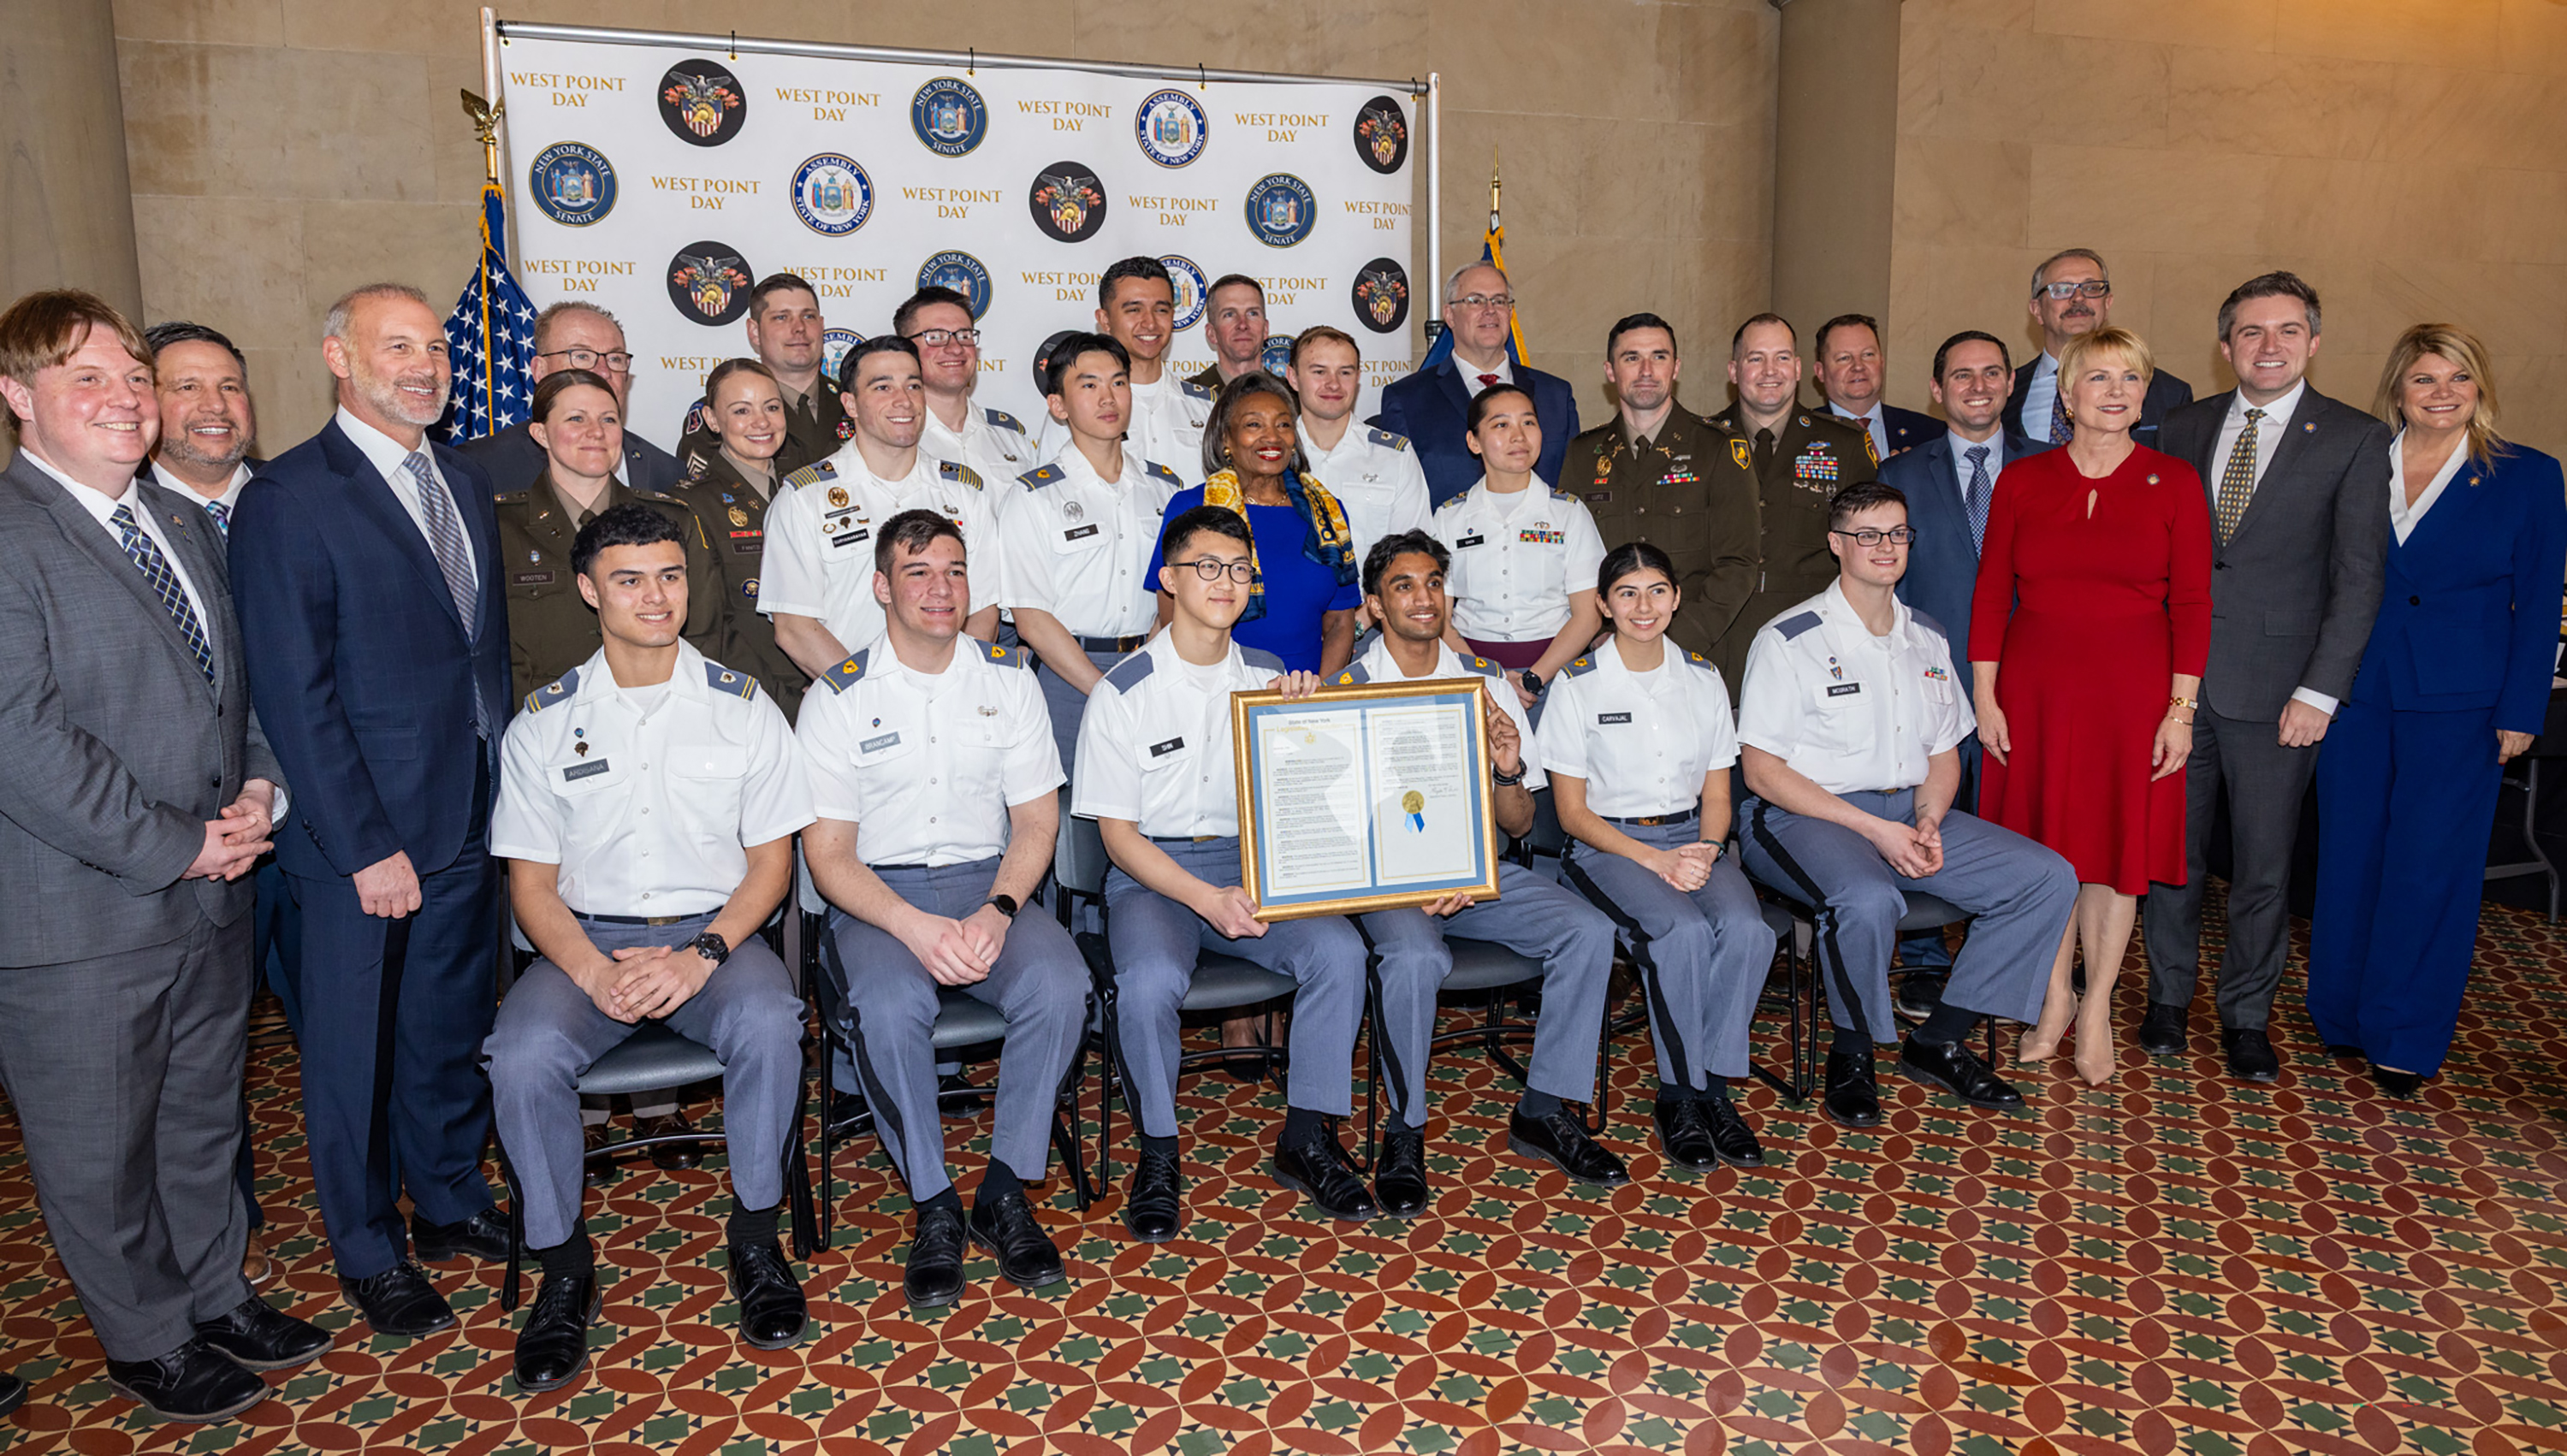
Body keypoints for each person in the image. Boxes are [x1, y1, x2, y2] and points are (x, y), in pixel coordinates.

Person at [0, 290, 329, 1423]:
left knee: (200, 1116)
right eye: (86, 378)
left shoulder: (180, 522)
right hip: (79, 915)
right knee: (100, 1146)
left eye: (133, 377)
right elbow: (23, 739)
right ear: (17, 399)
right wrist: (176, 844)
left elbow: (236, 689)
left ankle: (216, 1294)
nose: (126, 398)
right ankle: (145, 1336)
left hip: (214, 883)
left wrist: (257, 792)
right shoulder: (11, 536)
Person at [232, 282, 516, 1338]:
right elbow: (293, 695)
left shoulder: (466, 482)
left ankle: (445, 1200)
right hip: (360, 843)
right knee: (355, 1054)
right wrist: (364, 846)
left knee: (446, 1032)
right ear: (337, 358)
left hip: (467, 819)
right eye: (398, 345)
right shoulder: (291, 497)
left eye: (436, 346)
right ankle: (366, 1247)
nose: (426, 364)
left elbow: (476, 656)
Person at [483, 505, 812, 1391]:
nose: (655, 595)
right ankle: (562, 1267)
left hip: (714, 936)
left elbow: (770, 866)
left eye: (670, 574)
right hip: (584, 945)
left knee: (773, 1021)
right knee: (518, 1056)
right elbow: (531, 890)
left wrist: (699, 955)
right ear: (591, 590)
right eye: (629, 578)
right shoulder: (542, 725)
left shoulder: (745, 711)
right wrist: (594, 972)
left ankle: (755, 1237)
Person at [802, 510, 1087, 1307]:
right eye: (919, 572)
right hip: (878, 897)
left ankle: (1003, 1187)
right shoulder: (838, 697)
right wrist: (910, 925)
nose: (940, 589)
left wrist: (998, 909)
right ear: (882, 586)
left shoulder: (1008, 679)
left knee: (1061, 984)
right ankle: (934, 1203)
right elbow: (828, 857)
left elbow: (1036, 822)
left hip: (987, 885)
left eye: (955, 571)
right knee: (890, 1007)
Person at [1073, 505, 1374, 1240]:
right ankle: (1158, 1150)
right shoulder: (1123, 690)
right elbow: (1117, 838)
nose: (1225, 581)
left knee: (1341, 952)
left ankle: (1306, 1136)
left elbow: (1308, 799)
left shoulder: (1274, 677)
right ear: (1170, 580)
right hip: (1155, 875)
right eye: (1207, 566)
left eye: (1239, 569)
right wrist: (1208, 899)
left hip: (1253, 864)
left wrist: (1306, 727)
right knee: (1147, 983)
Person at [1736, 482, 2078, 1128]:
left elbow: (1945, 751)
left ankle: (1941, 1038)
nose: (1885, 547)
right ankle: (1854, 1050)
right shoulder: (1791, 638)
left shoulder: (1926, 636)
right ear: (1837, 545)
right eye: (1867, 535)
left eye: (1897, 533)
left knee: (2044, 878)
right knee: (1866, 900)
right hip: (1804, 815)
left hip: (1908, 812)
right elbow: (1761, 771)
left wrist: (1928, 817)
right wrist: (1873, 829)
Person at [2138, 273, 2392, 1081]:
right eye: (2251, 332)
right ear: (2226, 348)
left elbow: (2359, 579)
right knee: (2172, 857)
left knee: (2262, 866)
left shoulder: (2355, 438)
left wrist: (2320, 691)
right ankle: (2168, 1000)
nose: (2269, 345)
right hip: (2177, 689)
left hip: (2281, 696)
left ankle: (2247, 1015)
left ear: (2313, 342)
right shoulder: (2180, 427)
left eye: (2287, 330)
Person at [2310, 325, 2567, 1099]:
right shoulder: (2362, 461)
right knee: (2350, 856)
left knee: (2430, 868)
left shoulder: (2527, 476)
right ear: (2398, 390)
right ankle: (2344, 1017)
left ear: (2480, 386)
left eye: (2459, 377)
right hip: (2357, 693)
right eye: (2425, 379)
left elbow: (2538, 602)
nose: (2443, 393)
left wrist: (2522, 709)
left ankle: (2407, 1034)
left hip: (2462, 702)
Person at [1341, 532, 1629, 1203]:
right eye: (1404, 586)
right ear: (1375, 607)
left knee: (1587, 933)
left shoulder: (1486, 684)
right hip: (1391, 883)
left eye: (1435, 582)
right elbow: (1345, 829)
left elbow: (1521, 824)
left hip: (1480, 875)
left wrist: (1507, 768)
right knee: (1413, 961)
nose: (1424, 597)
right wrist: (1419, 876)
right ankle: (1405, 1131)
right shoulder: (1346, 689)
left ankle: (1544, 1108)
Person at [1968, 326, 2212, 1086]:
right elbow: (1989, 596)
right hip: (2035, 692)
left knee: (2114, 858)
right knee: (2044, 857)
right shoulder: (2023, 480)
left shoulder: (2174, 482)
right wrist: (1985, 697)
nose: (2116, 393)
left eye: (2130, 380)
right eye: (2099, 379)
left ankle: (2098, 1003)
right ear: (2066, 395)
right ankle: (2051, 998)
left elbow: (2196, 605)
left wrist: (2181, 712)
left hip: (2134, 696)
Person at [143, 319, 296, 1285]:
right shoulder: (118, 519)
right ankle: (217, 1241)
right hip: (183, 845)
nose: (213, 406)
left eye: (231, 386)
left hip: (313, 818)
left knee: (339, 1032)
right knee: (200, 1066)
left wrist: (268, 788)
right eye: (185, 386)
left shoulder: (295, 499)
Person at [1541, 543, 1777, 1166]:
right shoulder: (1577, 686)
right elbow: (1571, 814)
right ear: (1603, 604)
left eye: (1656, 591)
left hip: (1692, 840)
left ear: (1675, 598)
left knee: (1750, 932)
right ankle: (1679, 1097)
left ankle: (1715, 1091)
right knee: (1681, 934)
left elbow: (1718, 793)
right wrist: (1655, 863)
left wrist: (1705, 848)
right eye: (1627, 593)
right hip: (1608, 847)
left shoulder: (1701, 678)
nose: (1643, 607)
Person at [1880, 330, 2049, 1018]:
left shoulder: (2054, 469)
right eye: (1960, 376)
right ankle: (1924, 959)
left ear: (2012, 384)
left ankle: (2003, 955)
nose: (1977, 387)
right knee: (1931, 815)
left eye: (1991, 374)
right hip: (1929, 682)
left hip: (2033, 678)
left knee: (2017, 822)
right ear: (1936, 390)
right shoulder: (1899, 474)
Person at [760, 336, 1003, 678]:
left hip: (952, 695)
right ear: (851, 404)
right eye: (883, 387)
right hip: (853, 704)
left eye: (913, 385)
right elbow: (795, 626)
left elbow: (983, 611)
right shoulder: (804, 498)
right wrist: (866, 692)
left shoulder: (965, 493)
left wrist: (954, 685)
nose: (903, 401)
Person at [1000, 332, 1184, 774]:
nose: (1108, 398)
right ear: (1058, 406)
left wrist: (1145, 670)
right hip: (1068, 676)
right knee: (1066, 825)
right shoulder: (1032, 496)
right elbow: (1031, 617)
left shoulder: (1166, 488)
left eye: (1119, 383)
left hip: (1151, 666)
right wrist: (1103, 687)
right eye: (1088, 385)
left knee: (1149, 814)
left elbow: (1175, 593)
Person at [496, 368, 726, 701]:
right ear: (541, 434)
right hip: (543, 724)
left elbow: (705, 634)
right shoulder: (501, 526)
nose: (596, 433)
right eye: (576, 419)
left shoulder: (671, 518)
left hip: (657, 712)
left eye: (609, 420)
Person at [1562, 312, 1758, 665]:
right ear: (1610, 371)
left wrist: (1674, 643)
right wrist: (1598, 636)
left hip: (1695, 654)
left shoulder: (1717, 449)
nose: (1647, 370)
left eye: (1659, 357)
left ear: (1676, 367)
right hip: (1606, 656)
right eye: (1632, 358)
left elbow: (1738, 564)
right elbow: (1569, 565)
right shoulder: (1583, 455)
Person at [1703, 314, 1879, 686]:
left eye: (1782, 357)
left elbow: (1867, 553)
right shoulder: (1700, 443)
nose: (1771, 371)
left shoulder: (1845, 445)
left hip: (1816, 646)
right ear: (1734, 371)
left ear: (1798, 368)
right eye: (1756, 359)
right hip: (1718, 643)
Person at [1147, 371, 1361, 678]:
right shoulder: (1191, 507)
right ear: (1226, 438)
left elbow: (1341, 622)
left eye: (1283, 424)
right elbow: (1173, 620)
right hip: (1218, 694)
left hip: (1308, 695)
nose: (1272, 437)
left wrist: (1320, 695)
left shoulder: (1327, 513)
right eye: (1253, 424)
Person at [1428, 383, 1607, 710]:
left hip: (1555, 679)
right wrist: (1485, 678)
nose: (1518, 436)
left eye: (1528, 422)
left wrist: (1533, 679)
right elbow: (1439, 616)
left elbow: (1589, 615)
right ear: (1474, 441)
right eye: (1501, 425)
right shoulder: (1449, 518)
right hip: (1470, 677)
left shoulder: (1568, 513)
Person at [1372, 261, 1580, 501]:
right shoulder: (1407, 400)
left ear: (1510, 313)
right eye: (1475, 301)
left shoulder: (1555, 396)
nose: (1490, 310)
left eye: (1500, 301)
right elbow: (1395, 495)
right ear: (1449, 315)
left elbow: (1571, 488)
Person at [668, 358, 805, 719]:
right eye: (741, 410)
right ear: (713, 420)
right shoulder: (692, 504)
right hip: (753, 698)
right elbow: (707, 630)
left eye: (772, 407)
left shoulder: (813, 487)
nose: (761, 422)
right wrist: (784, 699)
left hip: (830, 678)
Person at [459, 301, 685, 494]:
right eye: (582, 356)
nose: (604, 372)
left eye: (615, 359)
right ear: (540, 370)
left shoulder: (666, 470)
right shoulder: (480, 468)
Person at [1035, 257, 1212, 472]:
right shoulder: (1076, 408)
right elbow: (1053, 495)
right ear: (1105, 320)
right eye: (1134, 310)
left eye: (1161, 310)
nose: (1150, 323)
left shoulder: (1206, 407)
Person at [2004, 249, 2192, 450]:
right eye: (2062, 289)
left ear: (2107, 304)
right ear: (2037, 310)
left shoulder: (2170, 393)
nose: (2078, 298)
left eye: (2092, 288)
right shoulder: (2005, 393)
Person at [1288, 325, 1431, 565]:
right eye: (1319, 372)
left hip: (1369, 602)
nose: (1333, 384)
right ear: (1293, 378)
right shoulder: (1271, 455)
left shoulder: (1394, 457)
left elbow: (1415, 555)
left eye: (1345, 372)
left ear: (1358, 378)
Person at [675, 275, 845, 476]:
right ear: (755, 332)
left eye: (808, 316)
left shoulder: (856, 402)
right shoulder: (721, 414)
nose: (799, 328)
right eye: (781, 317)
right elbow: (710, 499)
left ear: (822, 325)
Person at [898, 286, 1035, 486]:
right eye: (936, 337)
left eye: (964, 335)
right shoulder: (892, 441)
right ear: (905, 350)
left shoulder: (1011, 438)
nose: (955, 348)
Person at [1812, 314, 1937, 461]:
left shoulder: (1931, 434)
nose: (1858, 366)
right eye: (1844, 358)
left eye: (1868, 355)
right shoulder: (1796, 436)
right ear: (1820, 372)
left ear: (1882, 362)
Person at [1187, 275, 1271, 389]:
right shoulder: (1186, 399)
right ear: (1212, 333)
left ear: (1265, 329)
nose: (1242, 325)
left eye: (1252, 313)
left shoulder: (1293, 396)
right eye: (1229, 315)